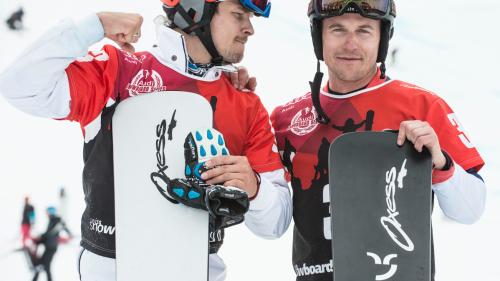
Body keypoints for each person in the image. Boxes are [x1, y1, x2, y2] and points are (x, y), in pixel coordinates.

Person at [0, 0, 292, 280]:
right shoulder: (119, 71)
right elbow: (20, 86)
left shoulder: (245, 104)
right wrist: (95, 26)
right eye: (239, 14)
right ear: (195, 9)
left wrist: (254, 188)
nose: (249, 29)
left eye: (250, 18)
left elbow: (275, 223)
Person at [270, 1, 487, 280]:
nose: (350, 44)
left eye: (364, 31)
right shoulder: (286, 119)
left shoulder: (423, 106)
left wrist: (441, 162)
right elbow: (271, 223)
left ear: (383, 39)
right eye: (337, 30)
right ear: (317, 36)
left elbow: (471, 210)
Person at [32, 206, 72, 281]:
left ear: (50, 212)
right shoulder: (54, 220)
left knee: (43, 266)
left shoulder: (55, 220)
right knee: (42, 265)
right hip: (50, 246)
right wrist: (39, 240)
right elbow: (49, 234)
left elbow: (49, 233)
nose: (46, 214)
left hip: (51, 247)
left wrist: (39, 239)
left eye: (47, 212)